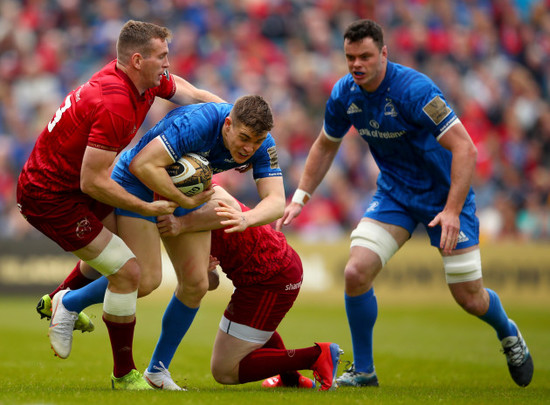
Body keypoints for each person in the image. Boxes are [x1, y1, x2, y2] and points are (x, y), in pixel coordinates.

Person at [276, 19, 534, 388]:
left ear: (384, 53)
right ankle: (364, 371)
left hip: (446, 198)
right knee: (355, 272)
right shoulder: (344, 94)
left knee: (470, 297)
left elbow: (465, 147)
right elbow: (326, 143)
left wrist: (452, 210)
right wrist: (300, 196)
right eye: (350, 57)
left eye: (365, 56)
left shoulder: (415, 91)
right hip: (395, 194)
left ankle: (508, 333)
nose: (356, 65)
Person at [18, 20, 222, 390]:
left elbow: (190, 94)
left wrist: (228, 113)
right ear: (137, 59)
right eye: (162, 56)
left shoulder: (144, 79)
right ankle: (125, 375)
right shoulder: (115, 102)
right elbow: (91, 180)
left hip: (73, 186)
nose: (168, 64)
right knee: (129, 273)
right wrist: (144, 209)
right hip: (51, 197)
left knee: (119, 263)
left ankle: (58, 300)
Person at [39, 95, 286, 389]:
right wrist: (184, 201)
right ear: (229, 124)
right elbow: (143, 165)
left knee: (197, 284)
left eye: (256, 142)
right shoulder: (198, 124)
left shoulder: (260, 142)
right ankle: (67, 302)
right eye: (244, 138)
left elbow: (277, 202)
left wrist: (246, 219)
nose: (249, 148)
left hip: (187, 188)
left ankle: (157, 371)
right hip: (138, 183)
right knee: (144, 279)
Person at [142, 184, 342, 391]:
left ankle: (317, 355)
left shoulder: (202, 193)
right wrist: (205, 269)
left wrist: (182, 224)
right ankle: (291, 379)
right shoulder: (179, 205)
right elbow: (210, 283)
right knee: (249, 329)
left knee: (224, 370)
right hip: (264, 275)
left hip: (270, 277)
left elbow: (228, 207)